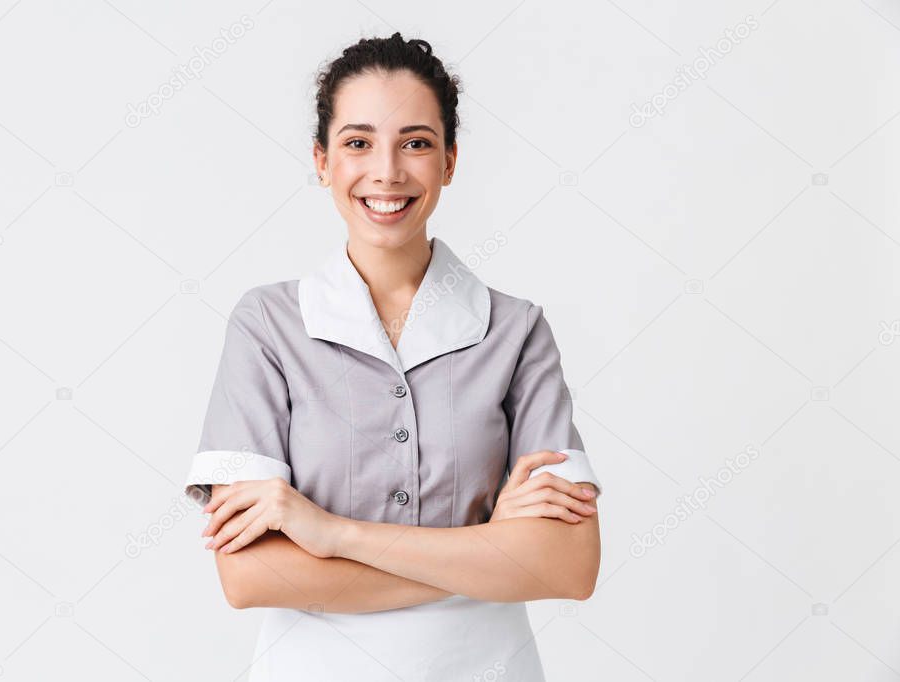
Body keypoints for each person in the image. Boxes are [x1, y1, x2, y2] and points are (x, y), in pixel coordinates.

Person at [183, 32, 603, 682]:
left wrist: (331, 534)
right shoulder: (267, 327)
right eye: (357, 143)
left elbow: (568, 568)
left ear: (450, 160)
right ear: (321, 160)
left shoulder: (516, 331)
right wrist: (490, 552)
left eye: (415, 142)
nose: (386, 171)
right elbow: (248, 575)